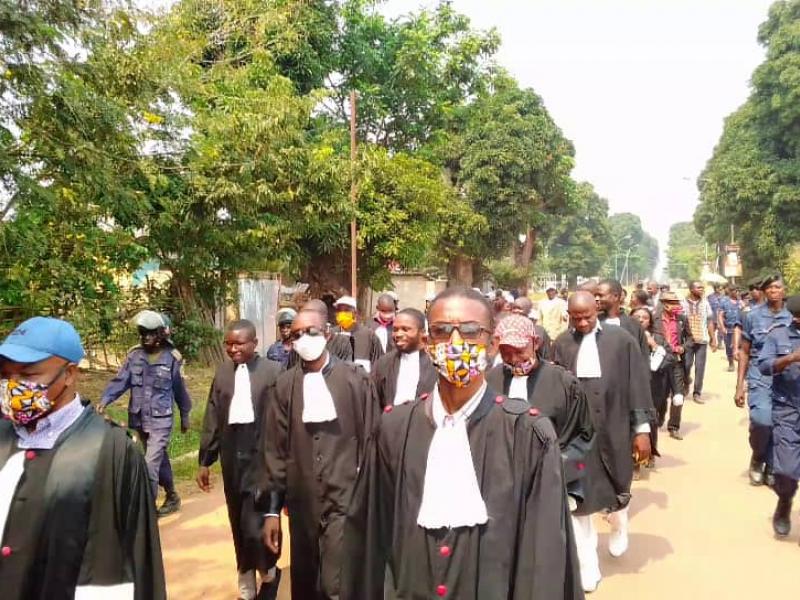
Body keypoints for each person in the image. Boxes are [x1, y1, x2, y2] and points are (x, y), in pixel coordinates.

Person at [343, 287, 583, 599]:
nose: (456, 343)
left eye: (470, 332)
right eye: (443, 331)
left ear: (492, 344)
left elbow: (543, 555)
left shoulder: (528, 434)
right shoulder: (394, 428)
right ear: (429, 344)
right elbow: (368, 538)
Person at [0, 317, 166, 599]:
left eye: (28, 375)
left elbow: (139, 558)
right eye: (5, 375)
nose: (13, 387)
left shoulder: (112, 450)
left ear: (69, 374)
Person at [257, 305, 379, 600]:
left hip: (346, 498)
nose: (303, 338)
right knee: (307, 579)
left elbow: (372, 439)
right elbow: (275, 450)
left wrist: (368, 496)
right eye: (297, 334)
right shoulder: (285, 386)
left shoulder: (356, 380)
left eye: (310, 331)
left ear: (326, 333)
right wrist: (272, 510)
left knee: (335, 583)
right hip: (303, 501)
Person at [552, 291, 653, 593]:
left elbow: (637, 384)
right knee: (578, 499)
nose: (582, 322)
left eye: (588, 316)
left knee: (618, 483)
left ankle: (619, 521)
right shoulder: (561, 343)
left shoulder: (621, 340)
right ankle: (587, 565)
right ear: (569, 315)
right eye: (576, 317)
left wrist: (642, 429)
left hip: (615, 425)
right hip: (575, 432)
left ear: (596, 310)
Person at [197, 320, 283, 600]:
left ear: (254, 344)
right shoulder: (222, 374)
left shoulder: (272, 371)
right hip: (233, 457)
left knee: (259, 519)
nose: (233, 349)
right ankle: (246, 581)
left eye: (239, 343)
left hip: (264, 456)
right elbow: (212, 417)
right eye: (228, 344)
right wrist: (205, 460)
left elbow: (283, 417)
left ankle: (269, 571)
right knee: (238, 519)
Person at [486, 314, 594, 507]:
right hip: (502, 485)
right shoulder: (490, 381)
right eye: (506, 352)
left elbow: (583, 435)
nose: (513, 359)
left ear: (535, 343)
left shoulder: (564, 383)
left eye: (519, 351)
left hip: (554, 480)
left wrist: (559, 468)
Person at [99, 309, 192, 516]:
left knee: (150, 464)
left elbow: (180, 390)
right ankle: (172, 495)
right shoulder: (134, 356)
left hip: (161, 420)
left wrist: (185, 416)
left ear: (162, 334)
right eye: (143, 333)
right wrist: (105, 400)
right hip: (139, 418)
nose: (146, 338)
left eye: (151, 333)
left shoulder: (172, 359)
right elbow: (121, 381)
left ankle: (146, 513)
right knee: (160, 459)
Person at [735, 274, 792, 486]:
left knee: (782, 425)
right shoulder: (753, 316)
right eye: (769, 288)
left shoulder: (792, 316)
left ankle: (771, 465)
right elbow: (745, 352)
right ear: (764, 292)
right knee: (761, 420)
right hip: (760, 376)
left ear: (784, 291)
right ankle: (758, 456)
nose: (773, 291)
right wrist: (740, 386)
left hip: (786, 377)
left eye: (777, 287)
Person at [758, 294, 800, 537]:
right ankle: (784, 502)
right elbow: (764, 366)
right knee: (785, 471)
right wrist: (790, 359)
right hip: (788, 411)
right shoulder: (779, 334)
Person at [631, 307, 675, 464]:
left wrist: (654, 346)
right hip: (630, 385)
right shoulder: (623, 336)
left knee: (650, 420)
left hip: (653, 386)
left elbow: (670, 358)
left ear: (650, 321)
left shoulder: (658, 338)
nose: (641, 319)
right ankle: (634, 460)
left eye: (645, 317)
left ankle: (650, 452)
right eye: (637, 316)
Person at [371, 308, 437, 407]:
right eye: (395, 329)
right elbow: (374, 400)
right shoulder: (384, 363)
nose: (398, 334)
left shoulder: (436, 364)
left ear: (422, 333)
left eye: (405, 329)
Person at [652, 292, 690, 440]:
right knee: (660, 395)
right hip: (660, 362)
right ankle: (659, 416)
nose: (676, 306)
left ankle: (674, 427)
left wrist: (684, 347)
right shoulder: (654, 320)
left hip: (676, 362)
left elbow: (690, 338)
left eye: (677, 302)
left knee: (678, 396)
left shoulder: (682, 319)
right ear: (664, 303)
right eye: (672, 303)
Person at [681, 281, 718, 403]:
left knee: (700, 367)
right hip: (688, 340)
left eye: (702, 287)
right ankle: (686, 381)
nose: (702, 289)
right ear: (691, 289)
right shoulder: (683, 303)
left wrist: (713, 338)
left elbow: (709, 322)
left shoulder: (705, 303)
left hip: (702, 340)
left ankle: (697, 393)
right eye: (699, 287)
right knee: (686, 365)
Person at [595, 279, 649, 363]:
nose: (596, 299)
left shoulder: (633, 325)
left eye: (600, 295)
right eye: (595, 295)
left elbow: (642, 358)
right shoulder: (594, 322)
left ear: (616, 296)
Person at [330, 295, 383, 372]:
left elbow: (379, 363)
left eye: (346, 310)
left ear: (355, 313)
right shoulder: (331, 334)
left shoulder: (369, 336)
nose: (342, 313)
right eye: (339, 310)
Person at [512, 296, 551, 360]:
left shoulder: (539, 331)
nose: (516, 311)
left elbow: (546, 355)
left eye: (519, 308)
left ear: (528, 311)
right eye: (514, 308)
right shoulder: (507, 329)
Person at [718, 287, 742, 372]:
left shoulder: (741, 302)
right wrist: (722, 327)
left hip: (740, 329)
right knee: (729, 347)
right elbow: (720, 315)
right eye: (736, 290)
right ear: (731, 292)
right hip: (729, 329)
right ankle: (731, 363)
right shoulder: (724, 302)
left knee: (741, 347)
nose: (737, 292)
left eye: (738, 291)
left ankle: (742, 364)